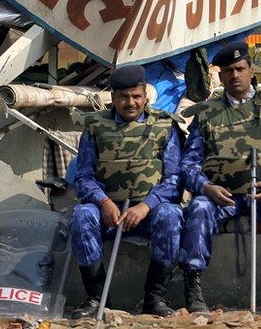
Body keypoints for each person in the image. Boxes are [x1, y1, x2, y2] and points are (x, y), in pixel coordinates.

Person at [178, 41, 261, 314]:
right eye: (228, 71)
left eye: (240, 68)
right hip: (221, 195)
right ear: (221, 76)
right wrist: (206, 187)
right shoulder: (207, 114)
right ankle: (194, 288)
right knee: (199, 209)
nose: (235, 75)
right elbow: (188, 163)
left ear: (251, 71)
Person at [69, 65, 185, 318]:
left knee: (171, 215)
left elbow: (174, 179)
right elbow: (84, 177)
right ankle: (97, 299)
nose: (130, 102)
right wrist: (103, 203)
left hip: (147, 213)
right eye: (124, 97)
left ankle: (155, 298)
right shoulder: (94, 127)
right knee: (81, 215)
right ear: (113, 97)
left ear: (145, 95)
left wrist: (146, 206)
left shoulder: (164, 126)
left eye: (136, 96)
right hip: (109, 213)